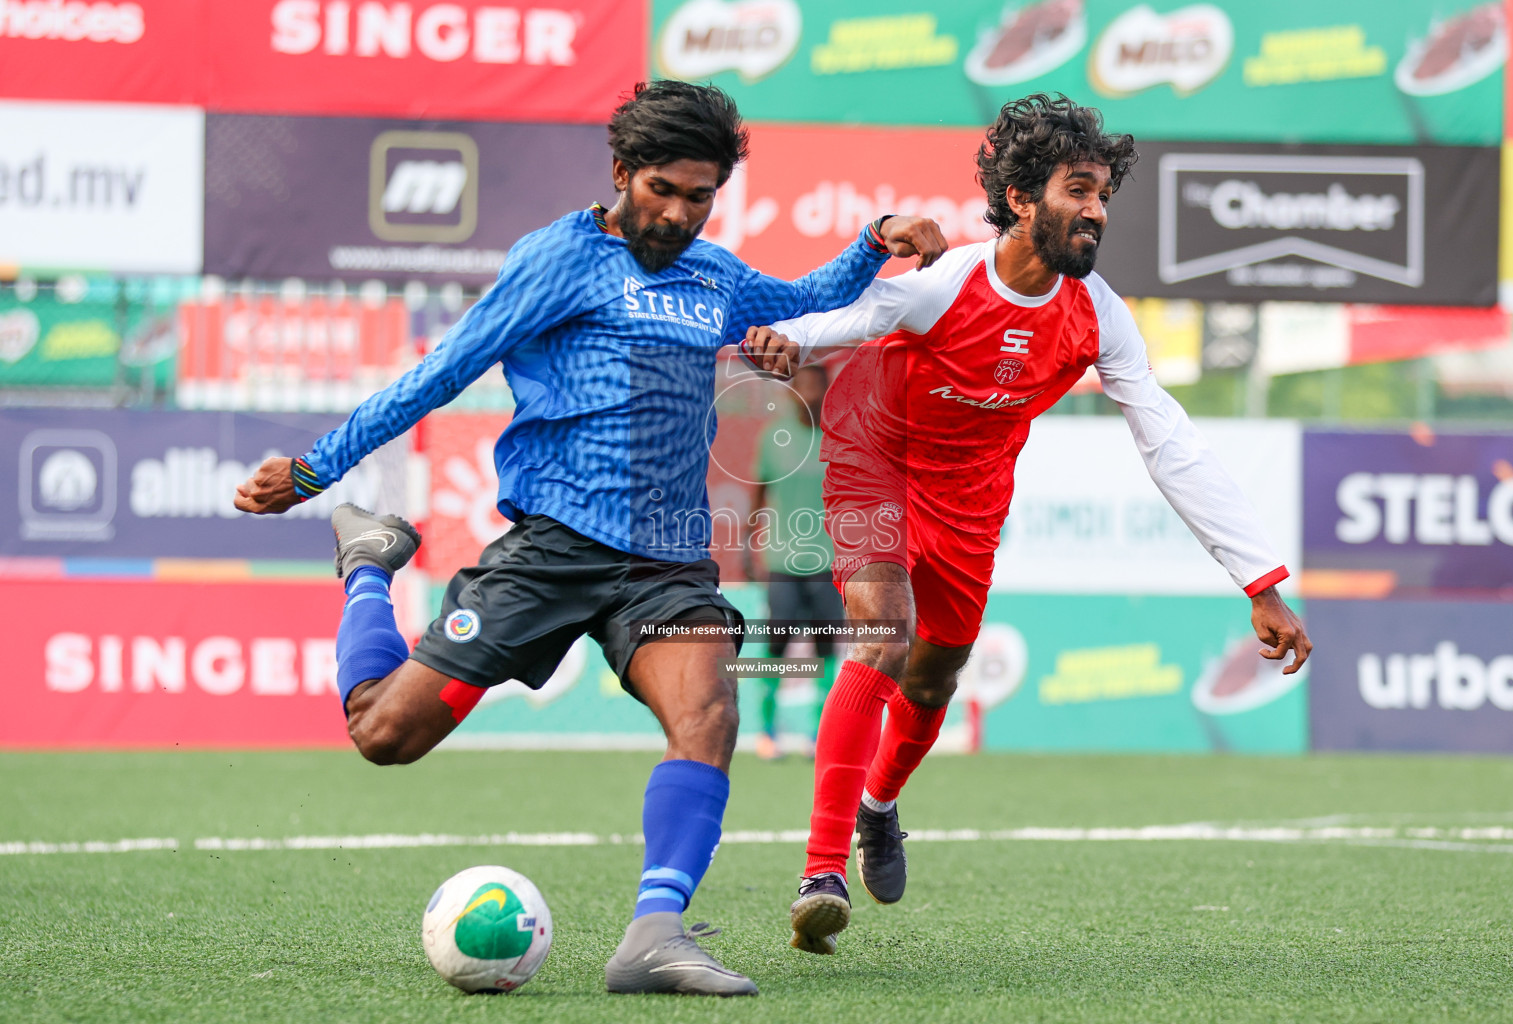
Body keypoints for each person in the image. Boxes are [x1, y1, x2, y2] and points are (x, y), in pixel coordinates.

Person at [231, 80, 948, 996]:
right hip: (552, 554)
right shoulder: (557, 261)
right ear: (621, 173)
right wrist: (315, 470)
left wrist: (873, 237)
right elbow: (439, 373)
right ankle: (367, 563)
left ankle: (655, 934)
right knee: (383, 733)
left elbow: (803, 299)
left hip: (664, 567)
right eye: (662, 190)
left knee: (710, 716)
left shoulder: (713, 277)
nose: (680, 212)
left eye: (699, 196)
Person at [744, 93, 1313, 956]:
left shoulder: (1100, 318)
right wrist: (787, 335)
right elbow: (854, 318)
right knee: (881, 636)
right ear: (1020, 198)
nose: (1096, 211)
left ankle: (881, 807)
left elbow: (1170, 444)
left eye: (1103, 197)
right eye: (1078, 191)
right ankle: (820, 874)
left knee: (933, 682)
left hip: (972, 500)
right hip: (876, 468)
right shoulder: (946, 282)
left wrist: (1261, 581)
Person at [745, 364, 843, 759]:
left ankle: (818, 736)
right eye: (805, 387)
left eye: (820, 388)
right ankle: (767, 731)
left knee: (825, 651)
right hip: (783, 563)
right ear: (792, 393)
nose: (813, 395)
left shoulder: (840, 439)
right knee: (775, 647)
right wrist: (745, 546)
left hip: (829, 565)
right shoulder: (774, 438)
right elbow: (758, 494)